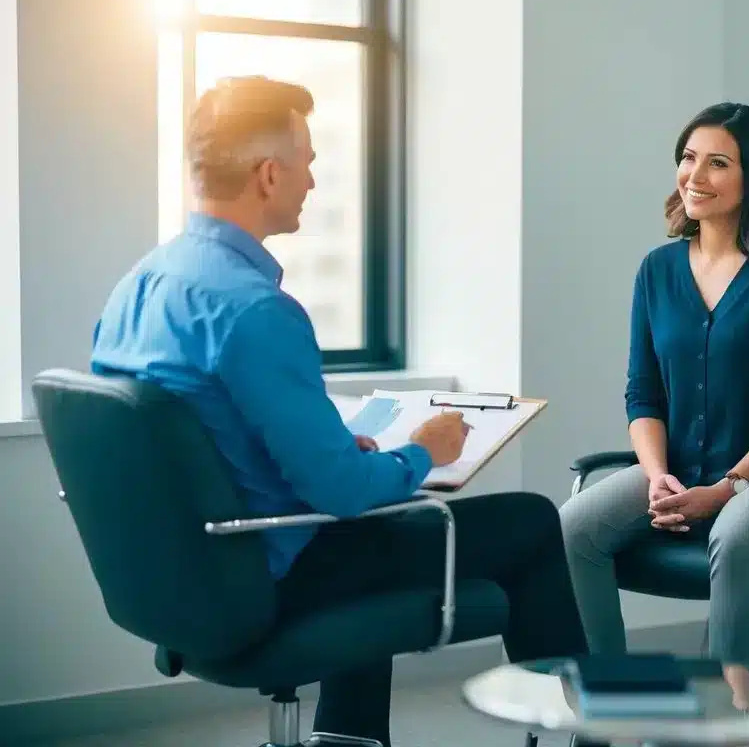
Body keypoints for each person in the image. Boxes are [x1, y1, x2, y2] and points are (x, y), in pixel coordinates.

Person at [90, 76, 600, 746]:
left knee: (371, 545)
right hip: (264, 581)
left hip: (180, 579)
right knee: (530, 520)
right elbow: (340, 492)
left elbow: (200, 441)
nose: (311, 180)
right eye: (306, 160)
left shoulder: (140, 285)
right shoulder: (254, 309)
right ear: (268, 174)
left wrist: (339, 453)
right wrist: (423, 452)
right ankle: (597, 736)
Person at [559, 101, 749, 665]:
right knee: (571, 529)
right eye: (688, 158)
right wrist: (658, 477)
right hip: (680, 465)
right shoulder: (657, 270)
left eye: (718, 163)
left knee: (734, 538)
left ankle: (725, 714)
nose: (695, 176)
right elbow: (643, 394)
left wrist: (729, 487)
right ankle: (609, 703)